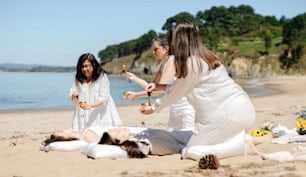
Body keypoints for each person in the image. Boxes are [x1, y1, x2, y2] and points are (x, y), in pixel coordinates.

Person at [141, 21, 261, 160]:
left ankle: (243, 146)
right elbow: (183, 86)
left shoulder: (191, 63)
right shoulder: (207, 56)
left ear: (179, 41)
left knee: (190, 151)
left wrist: (154, 108)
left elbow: (176, 92)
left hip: (227, 117)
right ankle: (241, 139)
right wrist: (160, 87)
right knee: (191, 140)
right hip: (243, 109)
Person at [122, 36, 195, 130]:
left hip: (186, 106)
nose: (153, 52)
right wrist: (133, 78)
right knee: (175, 140)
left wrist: (137, 95)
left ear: (166, 48)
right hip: (175, 106)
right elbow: (153, 86)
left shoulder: (172, 61)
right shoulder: (164, 63)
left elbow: (159, 89)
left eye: (156, 49)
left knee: (187, 140)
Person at [42, 125, 193, 157]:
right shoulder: (88, 137)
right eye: (61, 132)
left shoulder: (84, 132)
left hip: (141, 136)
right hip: (142, 138)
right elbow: (106, 142)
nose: (62, 128)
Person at [69, 53, 122, 132]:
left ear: (93, 65)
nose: (84, 69)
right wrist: (75, 97)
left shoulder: (102, 77)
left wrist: (91, 105)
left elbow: (104, 97)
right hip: (83, 112)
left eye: (86, 66)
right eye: (82, 67)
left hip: (101, 112)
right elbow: (73, 95)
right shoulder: (78, 78)